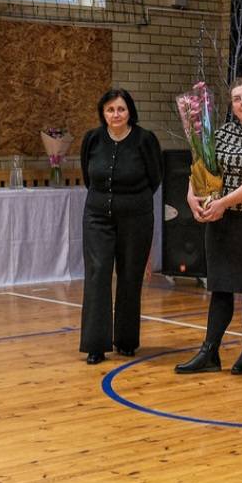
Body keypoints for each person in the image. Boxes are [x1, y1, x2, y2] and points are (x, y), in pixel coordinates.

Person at [175, 77, 242, 376]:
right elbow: (202, 165)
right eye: (237, 99)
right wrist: (191, 195)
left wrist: (224, 202)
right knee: (220, 286)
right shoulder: (221, 133)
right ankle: (209, 351)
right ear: (232, 105)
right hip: (221, 221)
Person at [79, 88, 162, 364]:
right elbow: (88, 177)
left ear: (130, 112)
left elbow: (155, 178)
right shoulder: (92, 139)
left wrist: (130, 202)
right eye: (110, 110)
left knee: (130, 276)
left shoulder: (145, 140)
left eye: (121, 109)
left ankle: (126, 340)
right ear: (103, 113)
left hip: (136, 218)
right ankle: (95, 344)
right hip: (97, 217)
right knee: (97, 275)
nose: (116, 114)